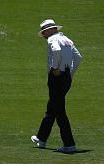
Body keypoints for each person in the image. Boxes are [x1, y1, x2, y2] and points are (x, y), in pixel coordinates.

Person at [30, 19, 83, 154]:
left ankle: (69, 144)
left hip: (56, 78)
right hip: (66, 77)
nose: (44, 35)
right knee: (52, 107)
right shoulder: (67, 39)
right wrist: (70, 73)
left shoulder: (53, 40)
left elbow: (57, 51)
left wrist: (55, 68)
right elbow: (78, 58)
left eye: (45, 32)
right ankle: (41, 138)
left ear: (50, 30)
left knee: (59, 111)